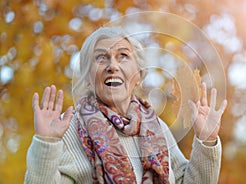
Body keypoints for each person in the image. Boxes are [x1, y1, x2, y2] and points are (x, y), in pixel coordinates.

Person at [24, 27, 227, 184]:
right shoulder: (67, 130)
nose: (113, 65)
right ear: (87, 77)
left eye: (123, 56)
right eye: (101, 57)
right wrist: (46, 143)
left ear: (137, 76)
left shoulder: (157, 128)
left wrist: (207, 142)